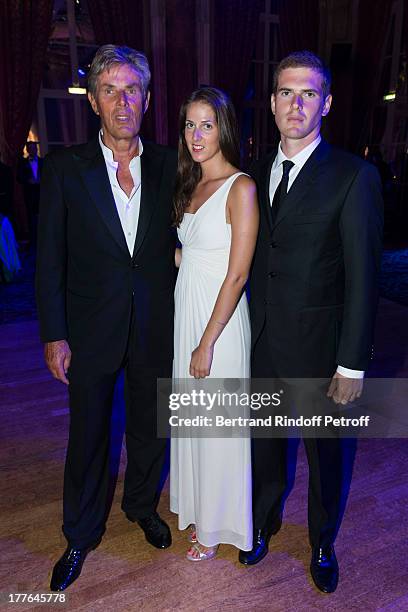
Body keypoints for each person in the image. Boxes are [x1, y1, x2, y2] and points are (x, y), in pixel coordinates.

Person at [239, 51, 383, 593]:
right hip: (263, 343)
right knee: (265, 444)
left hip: (324, 352)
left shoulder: (353, 175)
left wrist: (352, 364)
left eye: (307, 94)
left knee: (326, 456)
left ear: (326, 102)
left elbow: (364, 278)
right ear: (272, 102)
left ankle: (323, 541)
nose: (295, 104)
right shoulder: (251, 174)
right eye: (284, 92)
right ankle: (264, 523)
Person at [36, 45, 177, 591]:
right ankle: (80, 532)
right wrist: (54, 334)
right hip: (90, 327)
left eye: (133, 89)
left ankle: (142, 506)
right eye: (111, 90)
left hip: (153, 326)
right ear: (93, 101)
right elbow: (50, 258)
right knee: (89, 433)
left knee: (148, 426)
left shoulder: (171, 163)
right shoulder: (64, 168)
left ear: (147, 98)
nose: (123, 102)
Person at [170, 87, 259, 560]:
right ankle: (201, 509)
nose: (196, 135)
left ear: (224, 127)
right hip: (190, 309)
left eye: (206, 124)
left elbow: (238, 272)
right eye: (189, 124)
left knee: (217, 423)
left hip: (218, 325)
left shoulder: (240, 187)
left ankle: (218, 525)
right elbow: (195, 253)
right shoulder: (193, 182)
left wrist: (206, 342)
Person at [17, 141, 43, 246]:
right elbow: (18, 177)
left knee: (43, 216)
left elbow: (49, 176)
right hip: (29, 194)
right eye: (31, 148)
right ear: (27, 150)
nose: (34, 150)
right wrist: (28, 180)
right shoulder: (23, 163)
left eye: (35, 148)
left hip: (42, 193)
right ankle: (33, 241)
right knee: (31, 218)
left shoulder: (43, 161)